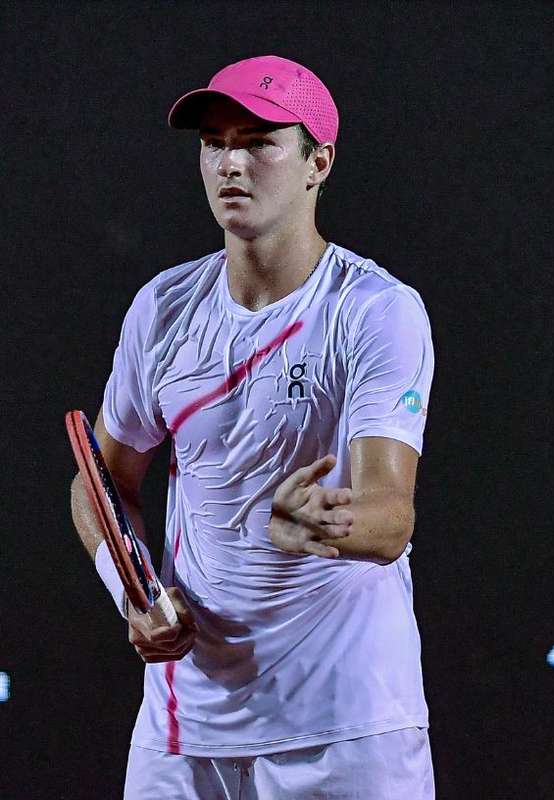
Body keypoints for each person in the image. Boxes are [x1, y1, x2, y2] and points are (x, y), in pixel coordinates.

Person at [67, 54, 436, 798]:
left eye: (259, 141)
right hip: (182, 732)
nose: (230, 162)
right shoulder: (162, 310)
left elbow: (390, 517)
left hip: (346, 728)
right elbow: (101, 484)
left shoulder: (375, 311)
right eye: (214, 143)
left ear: (317, 162)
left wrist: (325, 522)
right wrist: (133, 593)